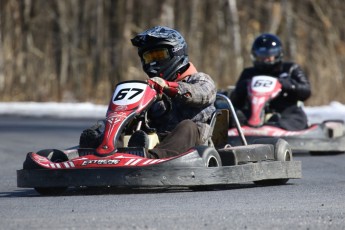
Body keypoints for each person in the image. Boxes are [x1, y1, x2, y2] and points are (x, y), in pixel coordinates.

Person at [80, 26, 217, 159]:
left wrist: (169, 87)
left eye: (159, 55)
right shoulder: (151, 87)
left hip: (192, 144)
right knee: (125, 124)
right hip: (155, 139)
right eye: (149, 58)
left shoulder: (200, 79)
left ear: (176, 52)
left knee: (187, 126)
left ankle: (152, 157)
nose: (153, 62)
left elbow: (201, 94)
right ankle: (104, 151)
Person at [229, 33, 311, 131]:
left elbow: (306, 91)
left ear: (278, 54)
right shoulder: (249, 73)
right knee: (232, 117)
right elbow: (236, 100)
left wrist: (288, 85)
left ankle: (275, 127)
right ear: (255, 55)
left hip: (285, 114)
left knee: (293, 119)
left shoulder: (290, 69)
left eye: (269, 54)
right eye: (262, 55)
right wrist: (244, 87)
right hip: (252, 116)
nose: (266, 58)